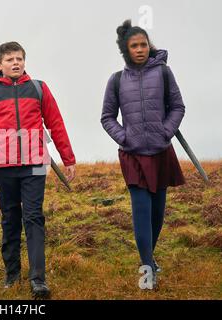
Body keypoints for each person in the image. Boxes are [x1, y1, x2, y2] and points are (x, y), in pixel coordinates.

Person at [0, 41, 76, 298]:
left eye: (19, 58)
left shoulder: (39, 88)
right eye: (9, 59)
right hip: (4, 165)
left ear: (24, 61)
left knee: (33, 217)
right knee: (9, 219)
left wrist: (68, 157)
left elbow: (56, 123)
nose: (15, 63)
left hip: (35, 163)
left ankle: (38, 279)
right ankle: (12, 275)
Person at [101, 20, 186, 289]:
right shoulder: (116, 80)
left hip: (161, 151)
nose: (140, 49)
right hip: (133, 155)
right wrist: (125, 137)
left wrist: (165, 131)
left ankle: (150, 255)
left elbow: (177, 106)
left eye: (143, 44)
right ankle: (147, 269)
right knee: (141, 210)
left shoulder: (163, 73)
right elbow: (107, 117)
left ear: (149, 46)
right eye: (134, 45)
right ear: (126, 50)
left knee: (157, 213)